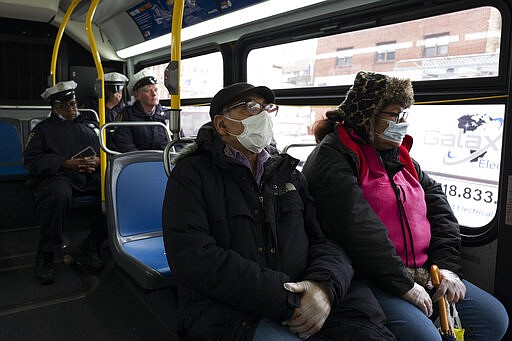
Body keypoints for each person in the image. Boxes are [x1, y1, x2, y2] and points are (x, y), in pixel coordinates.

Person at [162, 82, 397, 340]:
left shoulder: (288, 174)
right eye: (251, 108)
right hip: (233, 310)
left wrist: (323, 288)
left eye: (267, 108)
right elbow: (194, 258)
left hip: (309, 292)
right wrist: (289, 299)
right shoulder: (191, 176)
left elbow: (325, 239)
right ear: (221, 124)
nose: (262, 116)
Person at [301, 71, 509, 340]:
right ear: (367, 115)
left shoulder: (399, 156)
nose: (401, 123)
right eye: (393, 115)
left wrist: (446, 267)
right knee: (426, 337)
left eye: (404, 115)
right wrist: (405, 285)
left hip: (424, 272)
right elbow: (357, 229)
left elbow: (439, 208)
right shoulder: (334, 157)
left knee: (493, 319)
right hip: (369, 277)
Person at [24, 81, 107, 285]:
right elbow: (32, 160)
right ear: (55, 107)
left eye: (73, 104)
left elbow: (104, 150)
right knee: (58, 196)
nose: (71, 109)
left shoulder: (89, 126)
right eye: (65, 106)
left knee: (114, 193)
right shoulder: (42, 130)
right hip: (59, 176)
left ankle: (91, 245)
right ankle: (46, 254)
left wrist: (97, 161)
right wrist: (64, 163)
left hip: (88, 174)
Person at [113, 69, 170, 152]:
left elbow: (179, 143)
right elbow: (125, 145)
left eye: (156, 90)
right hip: (138, 161)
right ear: (137, 95)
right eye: (148, 91)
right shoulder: (127, 116)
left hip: (166, 161)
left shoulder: (167, 115)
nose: (154, 94)